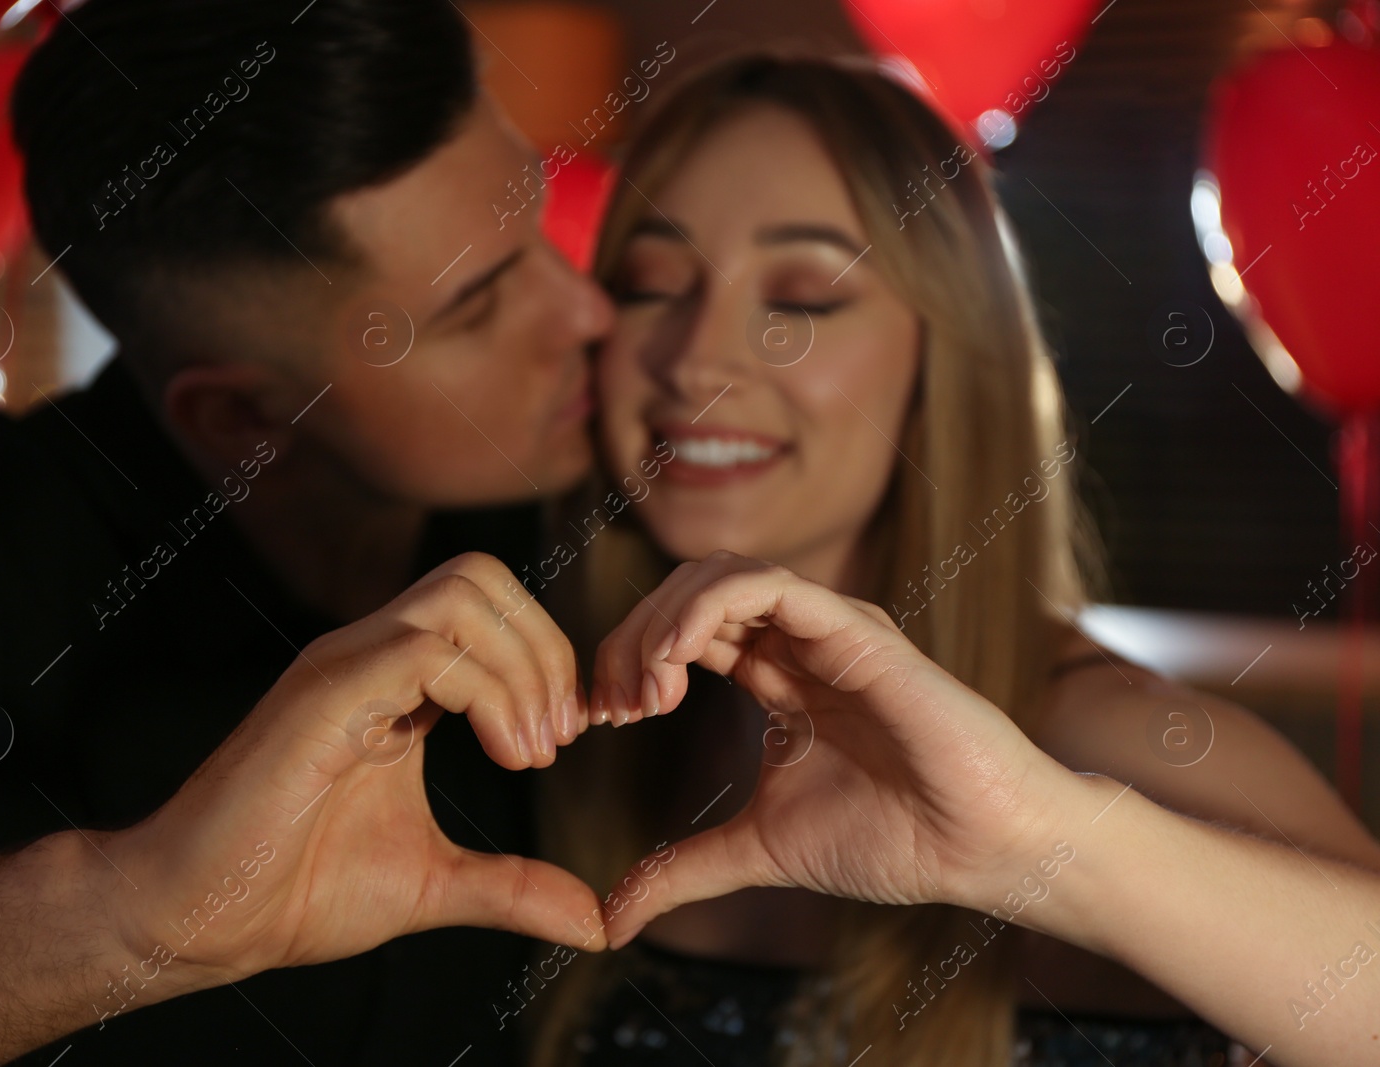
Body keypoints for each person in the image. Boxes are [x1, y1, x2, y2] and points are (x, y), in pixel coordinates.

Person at [0, 0, 612, 1063]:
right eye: (479, 308)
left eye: (532, 227)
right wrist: (128, 911)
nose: (584, 315)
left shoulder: (608, 514)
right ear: (241, 416)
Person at [526, 53, 1380, 1067]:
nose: (697, 357)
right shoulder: (581, 729)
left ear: (946, 356)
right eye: (649, 282)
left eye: (801, 296)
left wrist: (1034, 840)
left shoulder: (1117, 734)